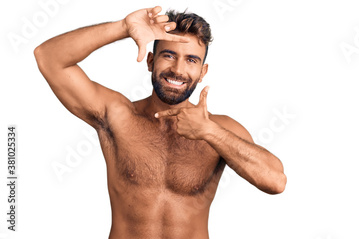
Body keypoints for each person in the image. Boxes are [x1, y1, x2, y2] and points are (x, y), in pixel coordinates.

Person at [34, 6, 286, 239]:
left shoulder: (221, 129)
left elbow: (275, 181)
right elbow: (48, 58)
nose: (178, 69)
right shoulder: (119, 115)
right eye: (169, 55)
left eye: (191, 60)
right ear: (151, 61)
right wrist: (122, 27)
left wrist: (209, 132)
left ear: (202, 73)